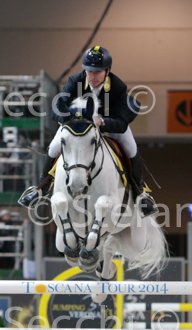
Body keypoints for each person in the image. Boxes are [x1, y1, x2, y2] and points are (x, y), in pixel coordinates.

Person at [18, 45, 157, 217]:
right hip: (78, 125)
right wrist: (69, 118)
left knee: (132, 149)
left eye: (97, 72)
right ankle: (40, 188)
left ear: (107, 71)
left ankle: (140, 193)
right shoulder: (75, 81)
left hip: (108, 124)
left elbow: (121, 123)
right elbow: (56, 108)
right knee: (54, 147)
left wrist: (103, 122)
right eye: (89, 71)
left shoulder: (117, 86)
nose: (92, 76)